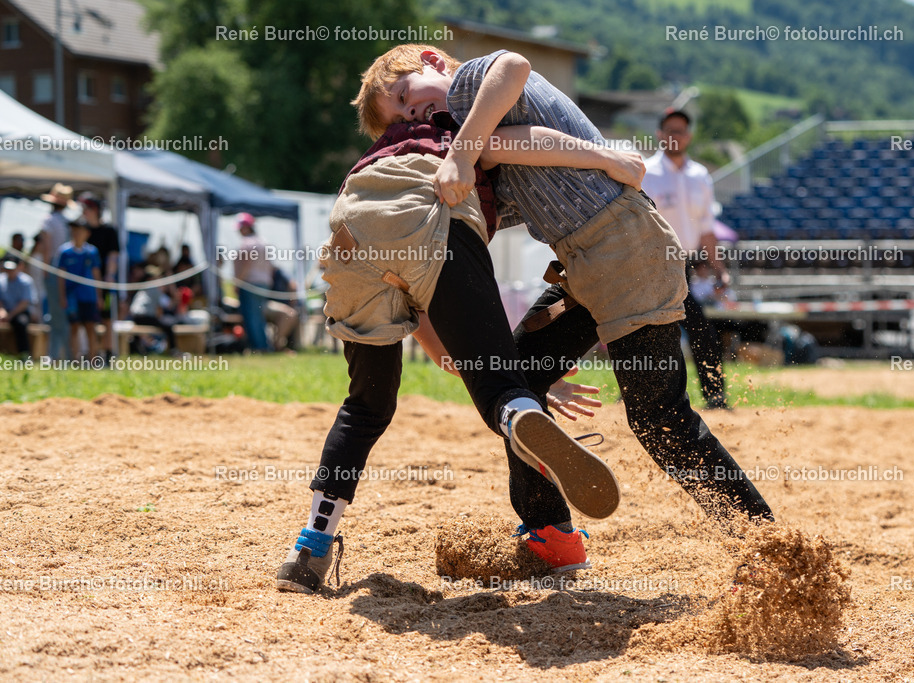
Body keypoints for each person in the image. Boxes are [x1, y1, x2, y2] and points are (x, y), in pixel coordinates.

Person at [361, 45, 773, 544]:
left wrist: (466, 153)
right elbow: (502, 163)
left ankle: (767, 549)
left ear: (432, 60)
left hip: (624, 249)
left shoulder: (469, 87)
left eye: (406, 94)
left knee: (659, 417)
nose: (413, 112)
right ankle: (550, 535)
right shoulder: (475, 138)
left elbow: (512, 65)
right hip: (588, 262)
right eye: (401, 115)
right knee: (515, 386)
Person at [275, 108, 640, 594]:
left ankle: (309, 550)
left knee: (365, 405)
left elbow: (436, 333)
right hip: (434, 226)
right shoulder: (461, 122)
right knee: (499, 389)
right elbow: (522, 105)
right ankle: (515, 416)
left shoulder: (376, 152)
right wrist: (608, 157)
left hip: (353, 233)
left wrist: (493, 365)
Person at [643, 109, 730, 409]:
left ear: (689, 136)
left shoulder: (700, 176)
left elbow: (706, 230)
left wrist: (720, 270)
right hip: (654, 264)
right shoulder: (645, 172)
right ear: (659, 134)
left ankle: (714, 395)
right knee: (659, 331)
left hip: (686, 264)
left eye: (680, 131)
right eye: (669, 130)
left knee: (691, 330)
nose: (674, 136)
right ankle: (710, 396)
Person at [79, 193, 119, 360]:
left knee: (107, 318)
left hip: (104, 282)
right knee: (88, 320)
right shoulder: (81, 230)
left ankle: (108, 353)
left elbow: (113, 256)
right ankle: (91, 353)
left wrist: (109, 276)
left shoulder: (109, 230)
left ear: (95, 209)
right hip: (85, 282)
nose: (83, 211)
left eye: (86, 208)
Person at [39, 183, 76, 360]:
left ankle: (57, 356)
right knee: (63, 315)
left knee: (57, 317)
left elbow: (46, 248)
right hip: (68, 274)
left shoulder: (48, 220)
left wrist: (46, 272)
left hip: (54, 271)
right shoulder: (67, 222)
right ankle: (65, 355)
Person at [55, 222, 102, 361]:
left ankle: (93, 360)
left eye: (80, 231)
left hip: (89, 296)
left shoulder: (92, 252)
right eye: (74, 231)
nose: (77, 234)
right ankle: (75, 359)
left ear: (87, 234)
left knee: (90, 327)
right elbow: (61, 277)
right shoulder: (64, 252)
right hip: (72, 297)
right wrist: (62, 296)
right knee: (74, 327)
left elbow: (96, 274)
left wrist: (99, 296)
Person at [233, 213, 272, 352]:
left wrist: (237, 283)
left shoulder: (247, 243)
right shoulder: (263, 241)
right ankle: (264, 345)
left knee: (251, 317)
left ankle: (259, 347)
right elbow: (270, 266)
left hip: (249, 284)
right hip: (264, 284)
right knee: (259, 317)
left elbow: (245, 265)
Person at [129, 265, 179, 354]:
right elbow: (169, 305)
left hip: (135, 316)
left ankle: (138, 350)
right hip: (144, 316)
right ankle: (173, 350)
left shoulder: (143, 288)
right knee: (168, 327)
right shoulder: (154, 289)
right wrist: (174, 291)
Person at [0, 259, 38, 356]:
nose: (9, 272)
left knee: (21, 323)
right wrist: (1, 311)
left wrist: (9, 315)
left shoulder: (26, 281)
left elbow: (24, 303)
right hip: (4, 311)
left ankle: (24, 353)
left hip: (20, 311)